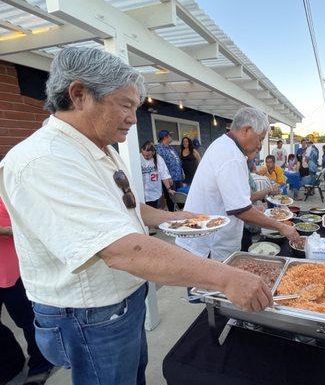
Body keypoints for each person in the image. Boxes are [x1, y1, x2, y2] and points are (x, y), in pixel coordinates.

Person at [0, 47, 273, 385]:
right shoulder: (45, 160)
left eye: (136, 107)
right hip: (89, 316)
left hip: (123, 302)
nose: (133, 117)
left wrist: (176, 218)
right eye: (126, 105)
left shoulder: (100, 148)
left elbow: (128, 207)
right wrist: (224, 277)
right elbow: (120, 250)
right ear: (79, 94)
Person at [175, 107, 299, 262]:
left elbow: (234, 200)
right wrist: (282, 227)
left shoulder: (225, 145)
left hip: (207, 242)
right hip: (207, 248)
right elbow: (241, 211)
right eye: (260, 139)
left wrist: (253, 209)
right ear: (246, 130)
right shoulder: (231, 155)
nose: (259, 145)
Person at [0, 198, 54, 385]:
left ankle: (41, 364)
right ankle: (11, 363)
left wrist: (3, 230)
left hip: (13, 270)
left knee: (28, 321)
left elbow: (26, 227)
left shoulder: (4, 191)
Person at [140, 140, 173, 209]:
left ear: (153, 152)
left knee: (152, 211)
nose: (145, 157)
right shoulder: (137, 158)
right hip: (141, 192)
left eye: (148, 155)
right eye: (144, 155)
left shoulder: (158, 159)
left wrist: (169, 189)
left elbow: (164, 175)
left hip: (154, 192)